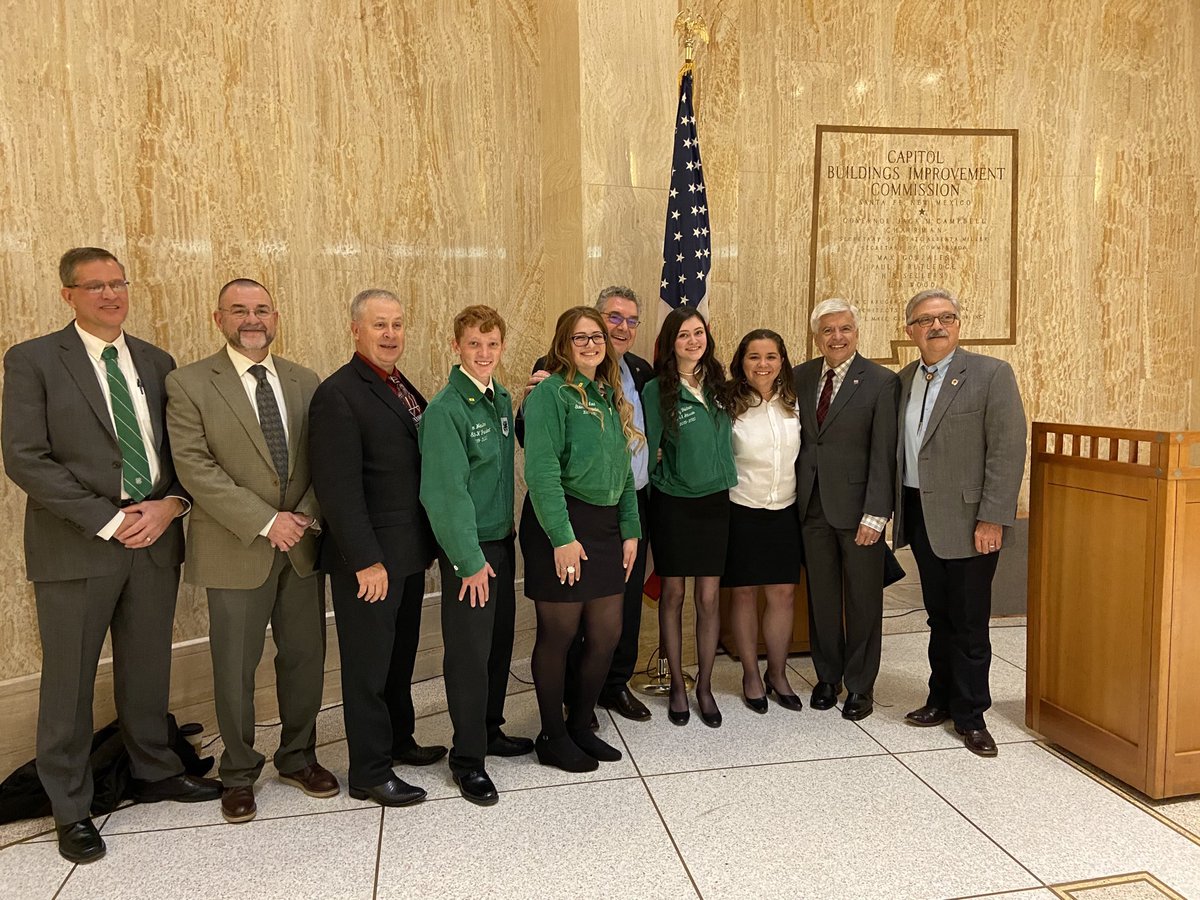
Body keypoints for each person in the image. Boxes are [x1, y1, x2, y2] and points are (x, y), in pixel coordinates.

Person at [1, 247, 219, 864]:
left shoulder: (156, 361)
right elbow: (25, 457)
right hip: (77, 545)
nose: (110, 294)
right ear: (67, 294)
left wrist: (171, 505)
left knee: (147, 666)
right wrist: (108, 518)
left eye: (117, 283)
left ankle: (154, 770)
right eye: (94, 286)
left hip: (154, 538)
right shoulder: (34, 360)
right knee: (68, 681)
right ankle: (70, 805)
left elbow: (180, 451)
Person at [166, 278, 335, 824]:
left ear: (276, 317)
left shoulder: (305, 380)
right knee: (235, 667)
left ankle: (299, 756)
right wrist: (266, 521)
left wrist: (302, 515)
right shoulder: (189, 382)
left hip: (301, 544)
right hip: (235, 546)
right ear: (218, 318)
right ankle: (238, 772)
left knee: (305, 658)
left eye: (261, 309)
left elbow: (325, 456)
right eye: (239, 310)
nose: (252, 319)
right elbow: (195, 467)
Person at [308, 289, 446, 806]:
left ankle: (399, 740)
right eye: (379, 325)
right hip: (370, 561)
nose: (390, 334)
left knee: (398, 657)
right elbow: (338, 489)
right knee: (368, 668)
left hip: (406, 552)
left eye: (397, 324)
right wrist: (365, 560)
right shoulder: (338, 394)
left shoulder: (399, 384)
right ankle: (369, 770)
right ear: (355, 330)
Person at [893, 288, 1026, 757]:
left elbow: (1007, 450)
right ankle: (941, 699)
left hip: (972, 521)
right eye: (925, 320)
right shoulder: (904, 380)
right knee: (939, 616)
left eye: (946, 317)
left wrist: (993, 517)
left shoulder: (991, 374)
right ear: (910, 331)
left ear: (958, 324)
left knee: (969, 622)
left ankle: (971, 716)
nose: (937, 326)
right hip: (921, 515)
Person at [517, 286, 654, 723]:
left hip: (609, 523)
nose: (595, 342)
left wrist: (631, 529)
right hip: (563, 520)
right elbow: (541, 470)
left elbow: (624, 469)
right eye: (583, 336)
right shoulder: (550, 390)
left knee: (607, 632)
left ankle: (580, 720)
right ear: (564, 343)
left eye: (597, 336)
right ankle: (555, 733)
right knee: (560, 635)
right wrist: (562, 538)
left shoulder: (610, 393)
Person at [418, 305, 533, 807]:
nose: (484, 353)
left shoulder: (499, 397)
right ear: (456, 347)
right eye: (473, 344)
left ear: (501, 347)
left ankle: (489, 730)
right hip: (472, 550)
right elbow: (444, 494)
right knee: (469, 655)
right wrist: (467, 559)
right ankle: (467, 759)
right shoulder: (447, 410)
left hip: (502, 540)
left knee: (498, 644)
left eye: (492, 344)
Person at [794, 299, 899, 721]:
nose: (837, 337)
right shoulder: (800, 377)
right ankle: (827, 676)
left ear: (856, 332)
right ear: (816, 336)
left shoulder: (881, 381)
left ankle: (860, 685)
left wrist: (877, 514)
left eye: (845, 329)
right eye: (828, 330)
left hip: (860, 513)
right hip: (811, 508)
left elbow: (885, 453)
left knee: (862, 602)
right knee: (821, 599)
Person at [643, 307, 737, 728]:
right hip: (674, 503)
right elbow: (648, 449)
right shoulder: (656, 390)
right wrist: (666, 474)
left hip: (716, 502)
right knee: (674, 595)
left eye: (698, 332)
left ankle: (705, 686)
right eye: (684, 335)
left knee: (709, 598)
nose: (693, 341)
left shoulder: (718, 383)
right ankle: (678, 686)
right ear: (671, 342)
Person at [722, 329, 804, 714]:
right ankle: (751, 675)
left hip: (785, 510)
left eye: (771, 356)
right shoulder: (727, 402)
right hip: (741, 508)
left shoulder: (795, 401)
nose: (763, 364)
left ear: (782, 361)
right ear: (741, 362)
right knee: (743, 594)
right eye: (754, 356)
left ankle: (778, 673)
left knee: (782, 594)